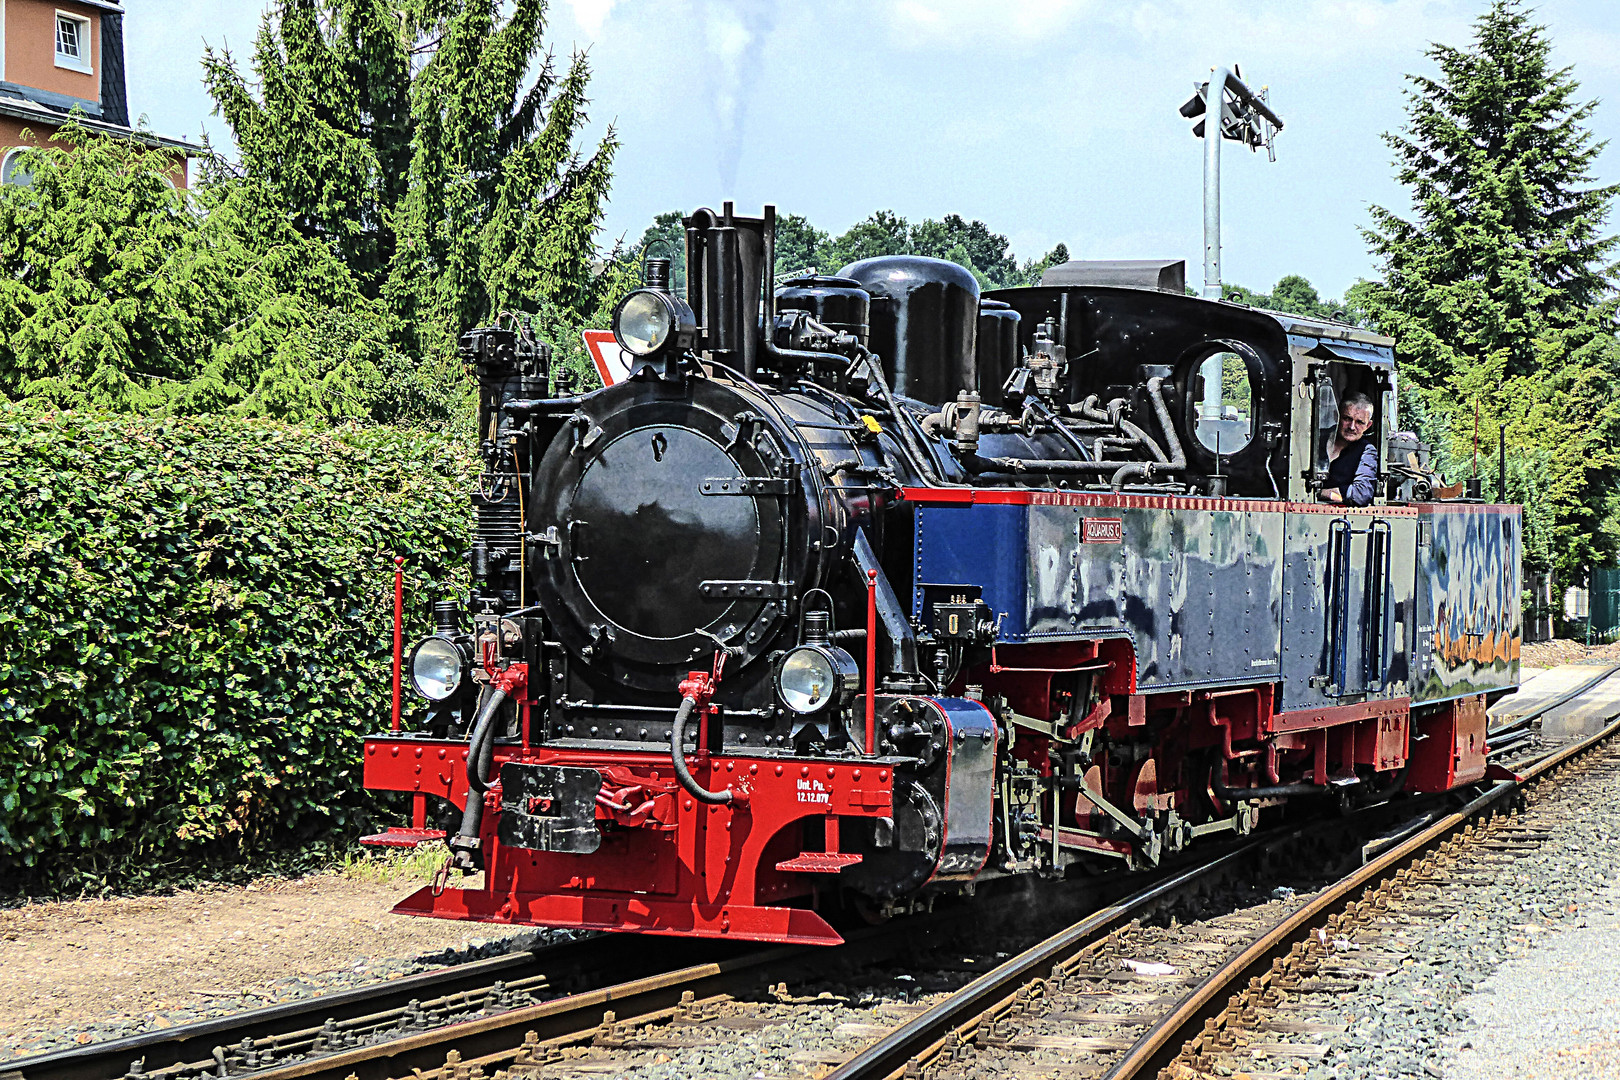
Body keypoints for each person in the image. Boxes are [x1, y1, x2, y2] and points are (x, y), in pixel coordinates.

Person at [1320, 393, 1378, 506]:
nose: (1352, 427)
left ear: (1368, 425)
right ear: (1336, 416)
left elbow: (1361, 495)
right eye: (1347, 419)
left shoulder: (1367, 451)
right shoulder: (1316, 439)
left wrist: (1320, 493)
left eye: (1359, 422)